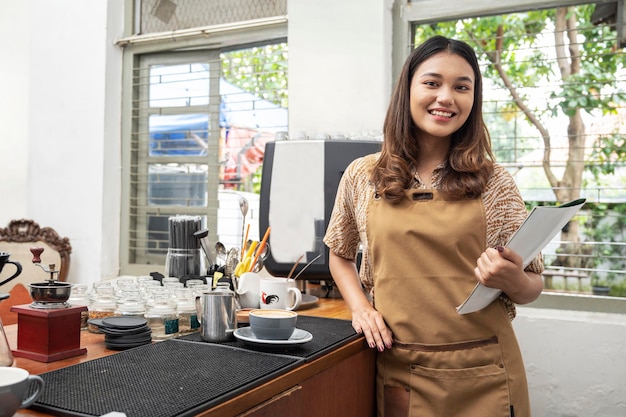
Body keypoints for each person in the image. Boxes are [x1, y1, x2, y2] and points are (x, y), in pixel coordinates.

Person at [323, 35, 544, 417]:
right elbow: (339, 254)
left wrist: (511, 280)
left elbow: (532, 286)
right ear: (407, 89)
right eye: (432, 82)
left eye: (462, 87)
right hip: (402, 370)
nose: (446, 97)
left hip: (486, 375)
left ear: (473, 100)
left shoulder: (496, 183)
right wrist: (359, 308)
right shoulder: (364, 175)